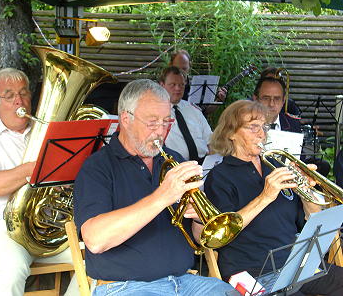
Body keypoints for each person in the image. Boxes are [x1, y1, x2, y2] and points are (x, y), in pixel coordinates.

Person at [74, 79, 235, 296]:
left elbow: (200, 240)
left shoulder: (175, 161)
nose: (161, 131)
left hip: (186, 282)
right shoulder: (97, 167)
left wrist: (198, 217)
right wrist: (162, 196)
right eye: (152, 122)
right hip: (125, 286)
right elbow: (95, 240)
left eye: (166, 122)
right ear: (125, 119)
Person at [204, 99, 343, 296]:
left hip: (296, 264)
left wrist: (307, 191)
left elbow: (308, 220)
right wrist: (266, 196)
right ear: (231, 133)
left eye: (264, 127)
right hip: (253, 272)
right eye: (253, 127)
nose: (262, 134)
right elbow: (222, 235)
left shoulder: (276, 167)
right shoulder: (220, 177)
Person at [0, 68, 78, 296]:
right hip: (0, 230)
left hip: (47, 230)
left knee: (98, 258)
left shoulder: (46, 134)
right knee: (12, 267)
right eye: (9, 95)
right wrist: (33, 169)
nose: (19, 100)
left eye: (24, 93)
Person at [252, 76, 331, 177]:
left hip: (289, 175)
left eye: (277, 99)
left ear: (283, 101)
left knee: (322, 166)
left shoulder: (293, 123)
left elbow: (299, 157)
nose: (271, 104)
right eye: (266, 98)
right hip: (257, 175)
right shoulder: (246, 125)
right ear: (255, 99)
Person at [159, 66, 212, 162]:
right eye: (173, 84)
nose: (178, 88)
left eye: (181, 85)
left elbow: (211, 142)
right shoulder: (155, 112)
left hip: (203, 164)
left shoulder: (193, 109)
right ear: (162, 85)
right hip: (175, 166)